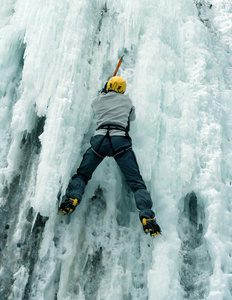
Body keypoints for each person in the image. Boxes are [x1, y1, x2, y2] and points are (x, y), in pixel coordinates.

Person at [59, 76, 161, 236]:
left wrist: (103, 93)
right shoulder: (127, 101)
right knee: (137, 183)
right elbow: (131, 117)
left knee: (83, 174)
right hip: (120, 142)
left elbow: (96, 104)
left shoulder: (97, 100)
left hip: (100, 142)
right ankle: (147, 217)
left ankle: (72, 198)